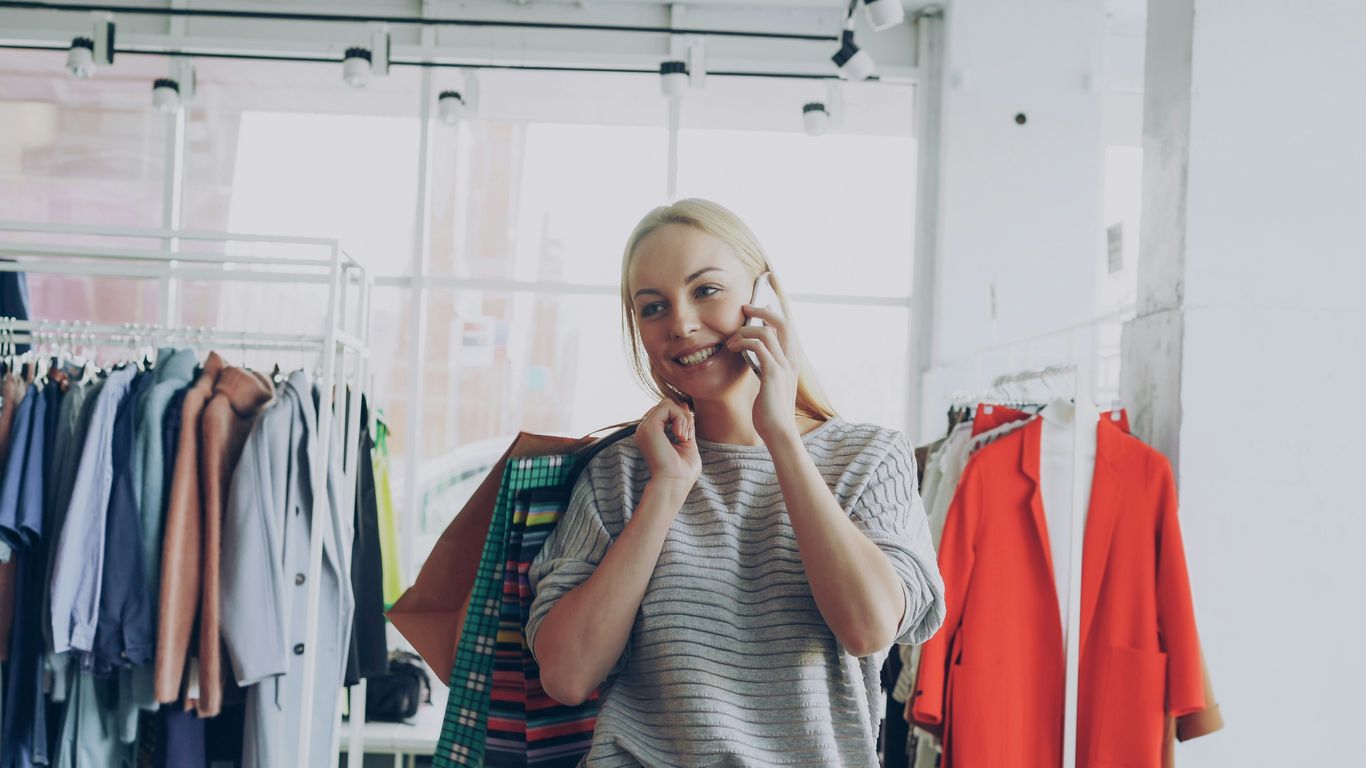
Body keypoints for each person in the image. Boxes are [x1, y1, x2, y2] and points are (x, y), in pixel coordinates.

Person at [526, 198, 946, 766]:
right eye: (653, 307)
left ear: (764, 298)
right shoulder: (622, 471)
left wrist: (782, 437)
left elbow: (869, 627)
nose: (679, 323)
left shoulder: (869, 458)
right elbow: (568, 675)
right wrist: (666, 491)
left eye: (706, 291)